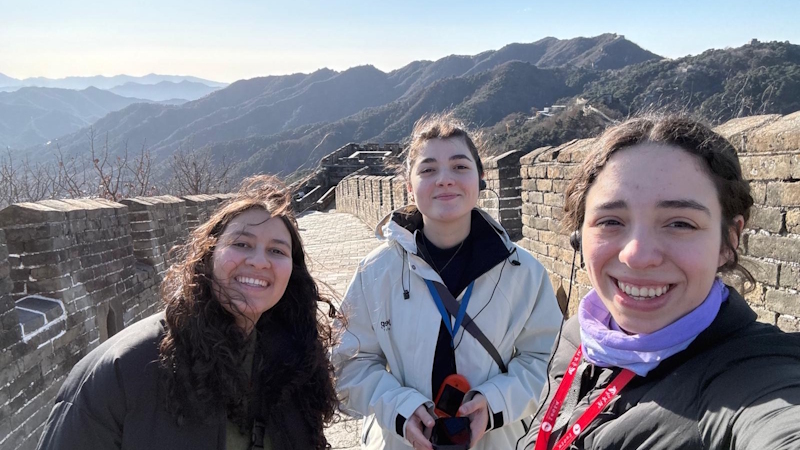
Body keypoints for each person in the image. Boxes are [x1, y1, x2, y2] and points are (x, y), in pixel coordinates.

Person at [527, 116, 800, 450]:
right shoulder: (577, 337)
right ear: (578, 237)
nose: (638, 256)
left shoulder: (753, 375)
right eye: (611, 221)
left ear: (728, 242)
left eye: (680, 224)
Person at [37, 175, 339, 450]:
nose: (259, 262)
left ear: (292, 271)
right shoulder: (126, 370)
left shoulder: (293, 362)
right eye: (242, 243)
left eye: (277, 251)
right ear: (208, 255)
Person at [332, 113, 563, 450]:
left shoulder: (522, 272)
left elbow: (549, 360)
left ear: (481, 179)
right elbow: (349, 364)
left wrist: (495, 403)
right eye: (428, 170)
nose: (444, 179)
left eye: (459, 167)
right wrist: (400, 409)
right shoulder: (376, 272)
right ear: (409, 186)